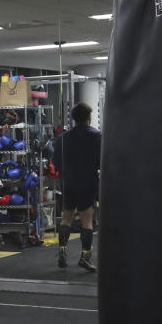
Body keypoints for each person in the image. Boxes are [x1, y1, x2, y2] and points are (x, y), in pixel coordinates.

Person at [52, 102, 102, 271]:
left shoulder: (63, 138)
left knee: (66, 218)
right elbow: (102, 160)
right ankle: (85, 257)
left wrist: (65, 172)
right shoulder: (96, 136)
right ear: (89, 118)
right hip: (87, 182)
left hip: (68, 182)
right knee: (87, 221)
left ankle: (62, 252)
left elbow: (56, 160)